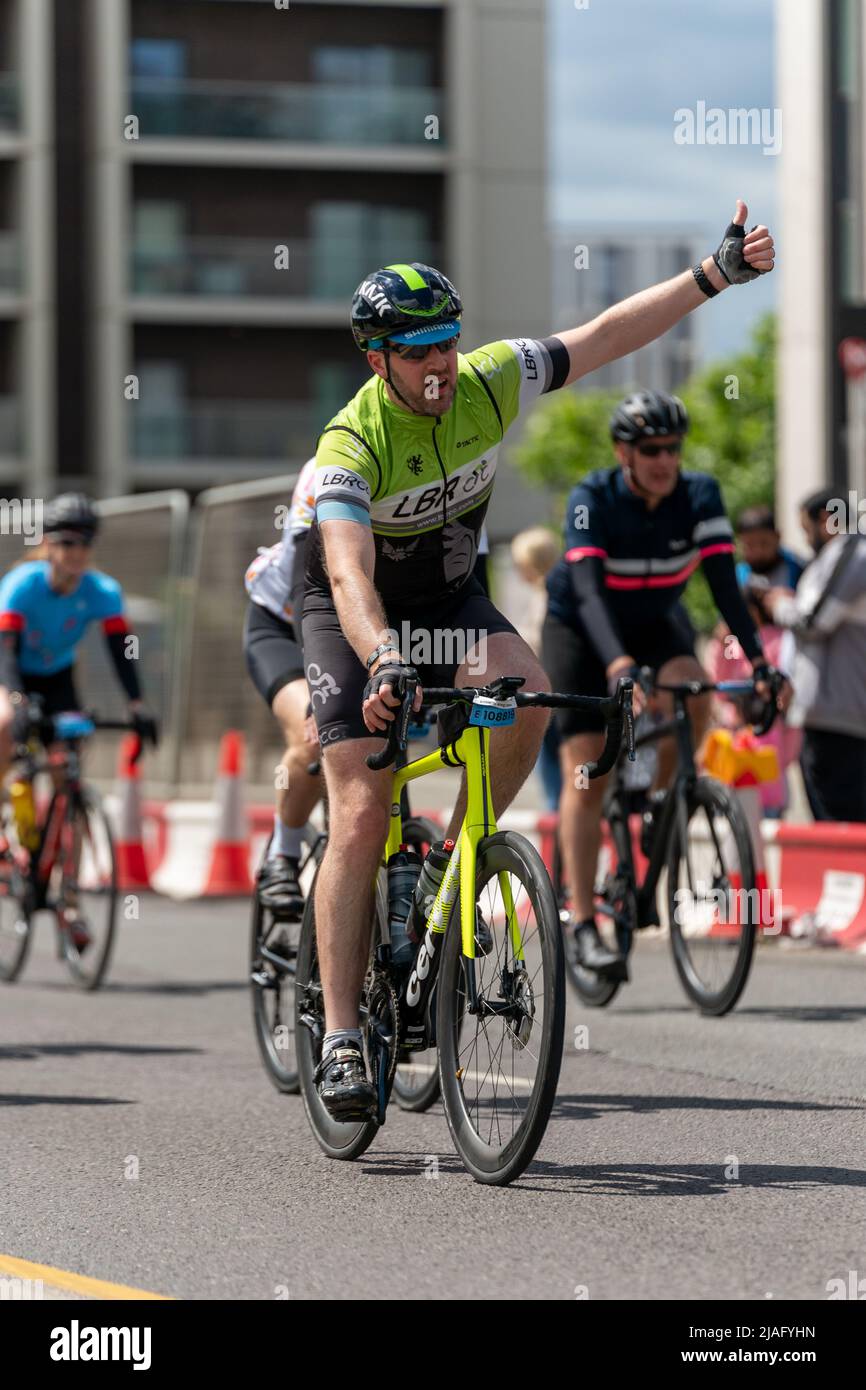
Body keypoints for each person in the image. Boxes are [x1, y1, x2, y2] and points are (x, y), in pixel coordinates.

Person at [303, 201, 777, 1121]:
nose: (440, 363)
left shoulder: (489, 379)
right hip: (356, 617)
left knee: (523, 700)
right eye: (418, 351)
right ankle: (340, 1037)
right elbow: (348, 572)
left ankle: (457, 858)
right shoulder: (349, 445)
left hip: (447, 598)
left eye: (447, 341)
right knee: (361, 803)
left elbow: (603, 334)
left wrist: (713, 276)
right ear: (377, 360)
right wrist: (387, 660)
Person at [543, 391, 790, 976]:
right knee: (586, 774)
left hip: (656, 620)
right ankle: (582, 922)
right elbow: (587, 593)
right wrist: (616, 665)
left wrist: (758, 663)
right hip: (584, 630)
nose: (664, 460)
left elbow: (725, 586)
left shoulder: (699, 493)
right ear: (622, 452)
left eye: (673, 449)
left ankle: (662, 800)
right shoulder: (592, 499)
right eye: (651, 450)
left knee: (696, 692)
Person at [0, 493, 158, 947]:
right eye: (67, 542)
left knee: (67, 768)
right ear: (49, 544)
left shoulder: (102, 591)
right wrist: (15, 699)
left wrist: (136, 705)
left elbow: (120, 652)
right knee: (8, 722)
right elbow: (5, 650)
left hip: (56, 679)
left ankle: (67, 897)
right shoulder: (22, 584)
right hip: (11, 670)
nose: (76, 552)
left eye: (85, 542)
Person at [243, 458, 321, 915]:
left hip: (375, 632)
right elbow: (302, 582)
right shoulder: (331, 462)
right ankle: (282, 855)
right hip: (286, 621)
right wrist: (320, 683)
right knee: (314, 735)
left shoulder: (458, 462)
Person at [763, 488, 866, 823]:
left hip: (841, 718)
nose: (808, 542)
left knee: (842, 827)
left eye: (806, 531)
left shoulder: (852, 550)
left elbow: (812, 621)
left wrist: (778, 604)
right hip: (835, 716)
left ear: (826, 520)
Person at [510, 527, 562, 810]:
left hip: (550, 694)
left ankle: (559, 847)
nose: (519, 572)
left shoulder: (546, 598)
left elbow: (540, 643)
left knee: (555, 783)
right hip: (560, 691)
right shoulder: (552, 594)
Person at [735, 504, 806, 593]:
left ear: (777, 537)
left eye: (764, 543)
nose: (758, 552)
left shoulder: (801, 570)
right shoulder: (736, 577)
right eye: (750, 545)